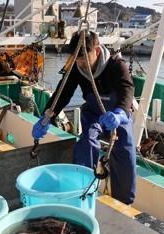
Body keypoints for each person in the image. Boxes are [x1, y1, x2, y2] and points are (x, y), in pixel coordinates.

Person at [31, 31, 136, 204]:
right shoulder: (76, 69)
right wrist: (46, 117)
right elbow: (62, 94)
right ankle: (82, 190)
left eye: (84, 57)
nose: (81, 63)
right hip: (94, 114)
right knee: (86, 142)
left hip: (117, 115)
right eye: (77, 58)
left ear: (97, 51)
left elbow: (127, 89)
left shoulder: (116, 65)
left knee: (125, 154)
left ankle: (125, 202)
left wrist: (120, 113)